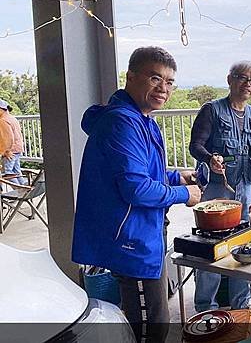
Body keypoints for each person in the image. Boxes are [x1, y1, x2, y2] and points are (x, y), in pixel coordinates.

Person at [72, 46, 202, 343]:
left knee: (149, 316)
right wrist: (184, 193)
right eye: (155, 78)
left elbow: (140, 174)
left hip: (143, 231)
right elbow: (136, 189)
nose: (163, 88)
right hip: (132, 239)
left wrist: (174, 176)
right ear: (130, 77)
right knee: (151, 324)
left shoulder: (141, 118)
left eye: (169, 82)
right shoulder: (123, 122)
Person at [189, 61, 251, 312]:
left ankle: (241, 309)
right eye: (243, 78)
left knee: (244, 247)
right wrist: (209, 158)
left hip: (246, 187)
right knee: (213, 248)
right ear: (230, 79)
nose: (248, 84)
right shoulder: (211, 110)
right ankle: (206, 310)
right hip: (217, 191)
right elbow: (195, 146)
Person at [0, 99, 26, 185]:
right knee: (17, 171)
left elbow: (8, 138)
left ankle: (20, 189)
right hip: (18, 148)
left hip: (11, 151)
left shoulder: (3, 120)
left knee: (7, 173)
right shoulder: (12, 118)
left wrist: (6, 151)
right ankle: (25, 189)